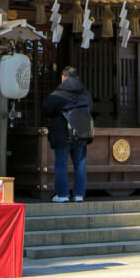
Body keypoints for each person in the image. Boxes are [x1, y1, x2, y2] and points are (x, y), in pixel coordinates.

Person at [42, 66, 94, 203]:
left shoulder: (57, 95)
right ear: (77, 78)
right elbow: (91, 108)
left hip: (62, 133)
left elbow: (46, 110)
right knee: (80, 164)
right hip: (81, 131)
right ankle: (79, 195)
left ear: (63, 78)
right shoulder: (85, 94)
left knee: (61, 163)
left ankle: (63, 195)